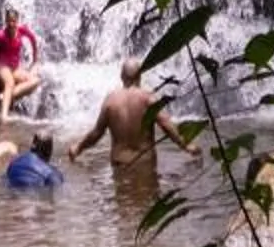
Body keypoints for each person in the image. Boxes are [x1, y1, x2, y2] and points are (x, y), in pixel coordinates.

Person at [71, 54, 199, 167]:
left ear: (121, 76)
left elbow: (97, 133)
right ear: (140, 76)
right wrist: (186, 146)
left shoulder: (110, 101)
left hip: (120, 164)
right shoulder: (148, 99)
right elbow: (166, 125)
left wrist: (78, 148)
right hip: (144, 163)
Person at [0, 0, 40, 118]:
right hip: (2, 66)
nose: (11, 24)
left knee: (34, 81)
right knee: (9, 82)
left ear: (17, 21)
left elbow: (33, 40)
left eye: (14, 21)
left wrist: (35, 60)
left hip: (15, 68)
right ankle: (4, 116)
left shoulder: (22, 30)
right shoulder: (0, 35)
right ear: (5, 21)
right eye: (9, 21)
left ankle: (4, 97)